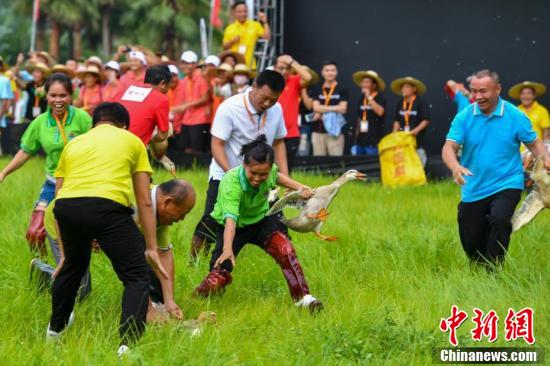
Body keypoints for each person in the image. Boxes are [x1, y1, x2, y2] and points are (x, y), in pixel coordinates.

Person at [47, 102, 168, 356]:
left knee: (72, 268)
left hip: (67, 208)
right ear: (124, 125)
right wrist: (150, 247)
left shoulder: (74, 143)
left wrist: (65, 252)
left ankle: (54, 334)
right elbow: (145, 199)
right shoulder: (132, 140)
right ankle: (127, 347)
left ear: (95, 124)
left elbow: (58, 197)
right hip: (107, 208)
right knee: (136, 275)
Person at [194, 135, 323, 312]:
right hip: (233, 228)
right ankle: (196, 301)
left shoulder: (271, 173)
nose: (257, 178)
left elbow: (278, 177)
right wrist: (227, 249)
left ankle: (304, 299)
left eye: (263, 174)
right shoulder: (231, 183)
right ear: (244, 166)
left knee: (285, 249)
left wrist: (300, 188)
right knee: (217, 279)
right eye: (253, 173)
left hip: (261, 220)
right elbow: (231, 220)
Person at [442, 69, 550, 268]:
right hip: (473, 186)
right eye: (474, 91)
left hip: (507, 182)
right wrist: (455, 166)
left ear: (498, 89)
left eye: (483, 91)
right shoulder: (464, 117)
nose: (477, 96)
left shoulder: (515, 116)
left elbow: (535, 144)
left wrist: (546, 160)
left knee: (500, 219)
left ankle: (494, 271)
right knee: (472, 237)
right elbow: (449, 147)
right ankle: (480, 268)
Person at [189, 69, 289, 261]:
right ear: (254, 87)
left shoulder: (276, 110)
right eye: (264, 98)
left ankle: (286, 261)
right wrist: (232, 175)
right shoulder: (230, 107)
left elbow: (278, 142)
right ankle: (194, 263)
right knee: (212, 219)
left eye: (273, 100)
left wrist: (284, 177)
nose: (268, 104)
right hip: (225, 174)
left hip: (263, 176)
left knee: (276, 218)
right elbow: (217, 144)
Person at [0, 73, 92, 255]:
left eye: (63, 95)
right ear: (46, 96)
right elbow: (26, 150)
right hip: (53, 183)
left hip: (81, 183)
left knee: (75, 235)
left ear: (71, 96)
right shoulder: (40, 122)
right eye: (53, 95)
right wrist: (4, 172)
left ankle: (72, 273)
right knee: (35, 233)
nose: (58, 100)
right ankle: (43, 273)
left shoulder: (83, 119)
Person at [273, 54, 312, 172]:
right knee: (269, 169)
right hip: (271, 133)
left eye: (287, 68)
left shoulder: (293, 81)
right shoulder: (269, 82)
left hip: (291, 134)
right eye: (280, 68)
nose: (284, 71)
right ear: (274, 68)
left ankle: (287, 190)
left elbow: (308, 78)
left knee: (286, 169)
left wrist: (291, 61)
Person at [171, 51, 211, 154]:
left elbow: (205, 98)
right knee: (187, 149)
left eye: (188, 63)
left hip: (200, 119)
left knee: (197, 150)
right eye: (183, 63)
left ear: (195, 64)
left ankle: (197, 169)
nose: (185, 66)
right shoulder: (185, 79)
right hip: (187, 119)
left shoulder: (201, 77)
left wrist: (186, 106)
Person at [311, 61, 348, 156]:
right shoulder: (317, 88)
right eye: (327, 70)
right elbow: (315, 107)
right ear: (322, 72)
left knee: (336, 163)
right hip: (318, 131)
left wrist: (322, 109)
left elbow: (343, 109)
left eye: (332, 70)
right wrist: (335, 108)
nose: (330, 73)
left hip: (336, 132)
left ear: (336, 72)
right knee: (318, 163)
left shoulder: (342, 88)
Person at [391, 76, 431, 166]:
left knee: (418, 161)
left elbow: (426, 120)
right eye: (403, 87)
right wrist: (394, 133)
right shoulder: (400, 102)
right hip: (402, 139)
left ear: (414, 89)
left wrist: (415, 131)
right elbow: (396, 120)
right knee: (404, 163)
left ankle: (420, 178)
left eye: (407, 87)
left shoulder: (421, 102)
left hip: (417, 139)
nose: (404, 89)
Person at [222, 1, 271, 69]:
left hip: (250, 65)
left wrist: (265, 22)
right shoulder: (229, 28)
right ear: (234, 13)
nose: (242, 14)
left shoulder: (255, 25)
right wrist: (232, 41)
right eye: (239, 12)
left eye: (245, 11)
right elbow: (224, 47)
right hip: (234, 66)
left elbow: (267, 37)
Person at [351, 70, 386, 156]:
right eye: (363, 82)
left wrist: (369, 97)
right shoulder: (361, 98)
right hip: (360, 140)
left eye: (367, 82)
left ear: (374, 85)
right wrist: (356, 137)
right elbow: (359, 118)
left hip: (373, 140)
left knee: (371, 165)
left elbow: (380, 112)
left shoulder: (380, 97)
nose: (364, 84)